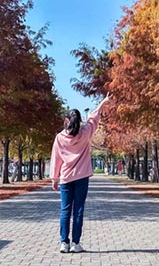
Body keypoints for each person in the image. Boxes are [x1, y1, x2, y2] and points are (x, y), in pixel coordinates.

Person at [50, 94, 111, 254]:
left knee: (65, 210)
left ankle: (64, 243)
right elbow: (93, 118)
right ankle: (76, 244)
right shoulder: (85, 133)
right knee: (78, 210)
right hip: (82, 177)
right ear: (79, 121)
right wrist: (102, 103)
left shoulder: (59, 138)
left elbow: (56, 159)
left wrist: (54, 179)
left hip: (65, 178)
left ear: (66, 121)